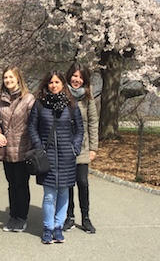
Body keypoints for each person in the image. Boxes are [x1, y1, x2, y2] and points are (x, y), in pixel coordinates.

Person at [28, 70, 83, 244]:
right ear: (46, 84)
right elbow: (32, 127)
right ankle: (48, 228)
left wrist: (75, 148)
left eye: (57, 82)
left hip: (67, 156)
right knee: (49, 195)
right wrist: (39, 146)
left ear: (63, 85)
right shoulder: (39, 104)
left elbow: (79, 130)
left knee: (64, 193)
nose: (54, 85)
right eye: (51, 82)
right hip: (47, 156)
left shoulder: (71, 105)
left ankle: (59, 227)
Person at [0, 66, 35, 232]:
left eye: (11, 77)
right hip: (6, 149)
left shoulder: (28, 99)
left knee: (22, 184)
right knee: (11, 184)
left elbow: (33, 124)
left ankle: (22, 217)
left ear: (18, 78)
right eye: (5, 78)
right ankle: (13, 215)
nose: (8, 80)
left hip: (23, 148)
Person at [63, 62, 99, 234]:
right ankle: (69, 216)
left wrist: (93, 148)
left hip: (83, 146)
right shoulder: (62, 94)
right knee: (67, 183)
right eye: (74, 76)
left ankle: (85, 217)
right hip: (64, 145)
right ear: (69, 76)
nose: (77, 80)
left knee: (82, 182)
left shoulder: (87, 97)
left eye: (80, 77)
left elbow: (93, 122)